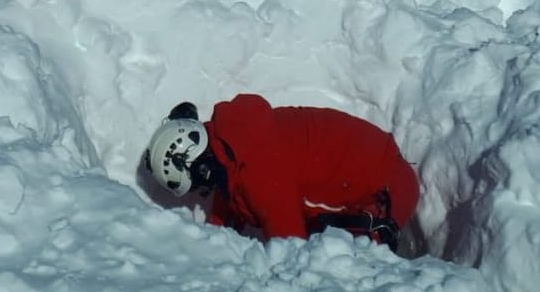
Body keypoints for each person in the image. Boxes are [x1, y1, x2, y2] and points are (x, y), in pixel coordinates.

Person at [145, 93, 421, 251]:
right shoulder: (234, 143)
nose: (205, 188)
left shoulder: (260, 171)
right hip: (379, 171)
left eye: (199, 183)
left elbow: (291, 250)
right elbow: (231, 195)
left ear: (202, 167)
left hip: (386, 191)